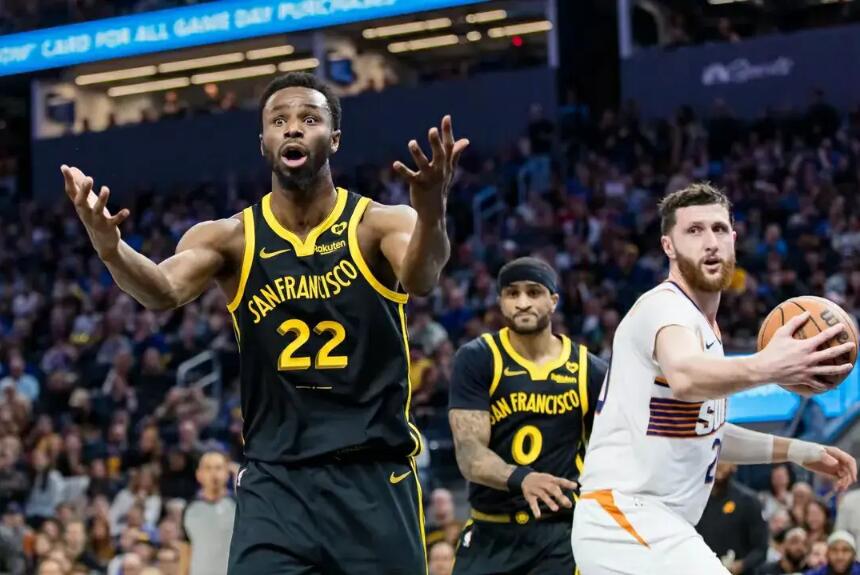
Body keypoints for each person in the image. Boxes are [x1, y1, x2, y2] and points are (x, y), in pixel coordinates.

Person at [61, 71, 469, 574]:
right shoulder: (229, 237)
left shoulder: (380, 223)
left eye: (310, 119)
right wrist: (112, 250)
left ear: (334, 140)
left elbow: (422, 277)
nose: (293, 128)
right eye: (279, 120)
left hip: (372, 475)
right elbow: (162, 290)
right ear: (263, 142)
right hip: (277, 483)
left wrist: (431, 215)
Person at [571, 182, 858, 575]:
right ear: (668, 246)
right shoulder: (664, 308)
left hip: (643, 524)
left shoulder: (705, 330)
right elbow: (685, 376)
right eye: (694, 230)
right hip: (625, 516)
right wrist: (768, 366)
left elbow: (710, 434)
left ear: (733, 240)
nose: (710, 242)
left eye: (719, 229)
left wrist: (798, 451)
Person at [449, 257, 607, 574]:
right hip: (490, 530)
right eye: (512, 293)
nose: (522, 303)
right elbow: (469, 454)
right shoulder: (478, 358)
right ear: (500, 301)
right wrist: (523, 479)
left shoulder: (589, 369)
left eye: (534, 292)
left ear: (553, 300)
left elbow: (615, 451)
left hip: (559, 536)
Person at [697, 463, 768, 574]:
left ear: (734, 465)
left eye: (724, 459)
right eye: (717, 459)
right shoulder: (695, 499)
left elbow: (761, 549)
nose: (720, 464)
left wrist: (742, 565)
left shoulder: (748, 501)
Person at [183, 450, 235, 575]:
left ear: (227, 473)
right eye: (208, 468)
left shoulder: (237, 506)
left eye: (218, 468)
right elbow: (185, 549)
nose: (213, 473)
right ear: (199, 474)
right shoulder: (190, 509)